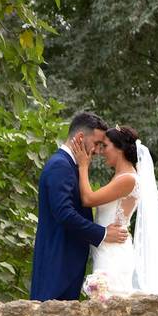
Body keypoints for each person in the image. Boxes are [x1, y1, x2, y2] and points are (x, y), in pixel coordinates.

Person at [70, 125, 158, 301]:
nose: (101, 151)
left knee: (112, 303)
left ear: (119, 148)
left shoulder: (128, 179)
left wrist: (83, 166)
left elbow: (89, 199)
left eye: (105, 146)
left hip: (114, 253)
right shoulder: (120, 177)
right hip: (107, 246)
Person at [30, 112, 129, 301]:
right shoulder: (60, 166)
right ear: (81, 137)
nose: (99, 151)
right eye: (97, 143)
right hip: (57, 268)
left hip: (66, 267)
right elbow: (64, 214)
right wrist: (103, 233)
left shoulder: (71, 166)